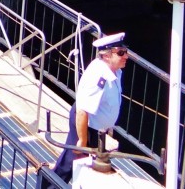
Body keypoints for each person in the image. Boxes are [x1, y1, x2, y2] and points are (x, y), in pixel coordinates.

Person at [52, 32, 129, 182]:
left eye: (125, 52)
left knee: (88, 165)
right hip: (86, 126)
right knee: (69, 164)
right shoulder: (98, 76)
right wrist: (82, 140)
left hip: (96, 129)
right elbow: (82, 110)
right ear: (106, 56)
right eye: (121, 53)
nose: (126, 56)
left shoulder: (115, 71)